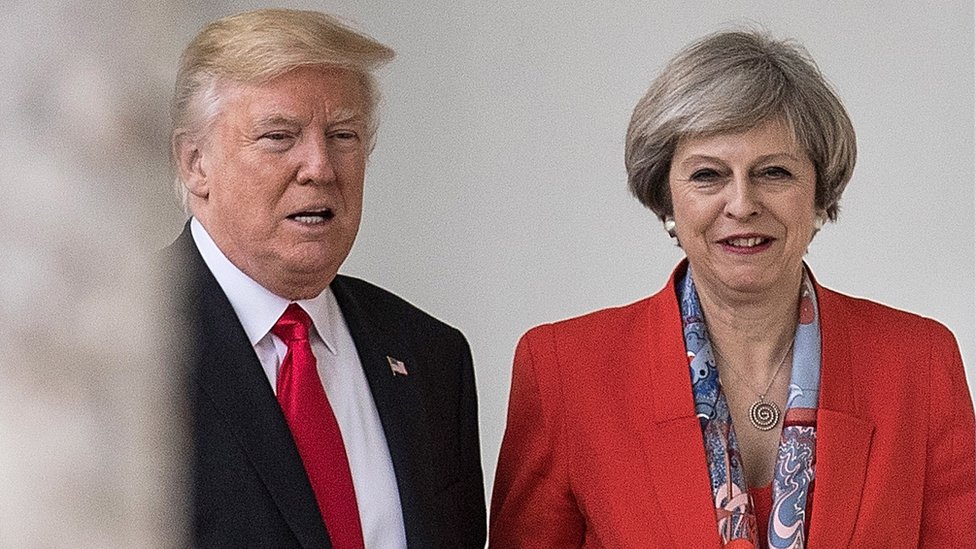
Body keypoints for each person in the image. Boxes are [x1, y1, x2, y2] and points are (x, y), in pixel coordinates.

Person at [490, 30, 975, 548]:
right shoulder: (564, 371)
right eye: (707, 174)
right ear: (667, 200)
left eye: (774, 172)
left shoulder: (919, 363)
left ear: (818, 196)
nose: (742, 204)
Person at [166, 9, 485, 548]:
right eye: (278, 136)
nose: (319, 166)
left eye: (343, 135)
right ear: (196, 163)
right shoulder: (123, 352)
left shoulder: (430, 356)